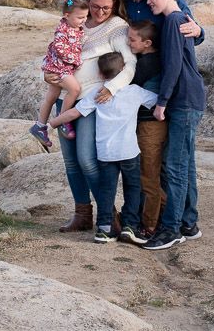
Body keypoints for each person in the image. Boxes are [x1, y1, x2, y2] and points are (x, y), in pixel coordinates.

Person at [48, 0, 136, 233]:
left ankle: (108, 215)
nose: (99, 12)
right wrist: (49, 76)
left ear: (114, 6)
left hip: (91, 101)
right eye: (95, 6)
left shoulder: (118, 28)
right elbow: (55, 54)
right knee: (71, 162)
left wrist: (112, 87)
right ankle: (82, 214)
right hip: (65, 98)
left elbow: (129, 64)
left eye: (106, 7)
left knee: (87, 160)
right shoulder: (74, 22)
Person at [48, 50, 157, 244]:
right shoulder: (135, 91)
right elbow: (156, 102)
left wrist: (51, 124)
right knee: (133, 187)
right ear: (123, 70)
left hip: (106, 154)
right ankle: (130, 227)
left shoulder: (96, 95)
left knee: (107, 191)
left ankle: (104, 229)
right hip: (129, 151)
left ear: (100, 75)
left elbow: (73, 114)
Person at [142, 0, 206, 251]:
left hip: (182, 100)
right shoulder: (182, 21)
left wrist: (162, 102)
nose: (148, 1)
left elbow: (173, 66)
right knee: (186, 163)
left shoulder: (172, 21)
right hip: (191, 98)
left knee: (175, 166)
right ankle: (189, 223)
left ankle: (171, 230)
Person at [29, 0, 88, 149]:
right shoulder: (63, 30)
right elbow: (60, 50)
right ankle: (64, 120)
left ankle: (40, 126)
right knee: (74, 89)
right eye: (80, 17)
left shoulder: (75, 27)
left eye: (86, 16)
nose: (84, 20)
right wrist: (76, 60)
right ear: (66, 15)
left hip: (59, 66)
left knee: (52, 96)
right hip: (59, 66)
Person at [125, 19, 166, 240]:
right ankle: (165, 216)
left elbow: (127, 86)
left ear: (147, 42)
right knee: (151, 174)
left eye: (132, 39)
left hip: (150, 125)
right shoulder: (151, 58)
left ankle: (150, 225)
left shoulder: (147, 63)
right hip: (150, 124)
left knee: (148, 176)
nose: (128, 43)